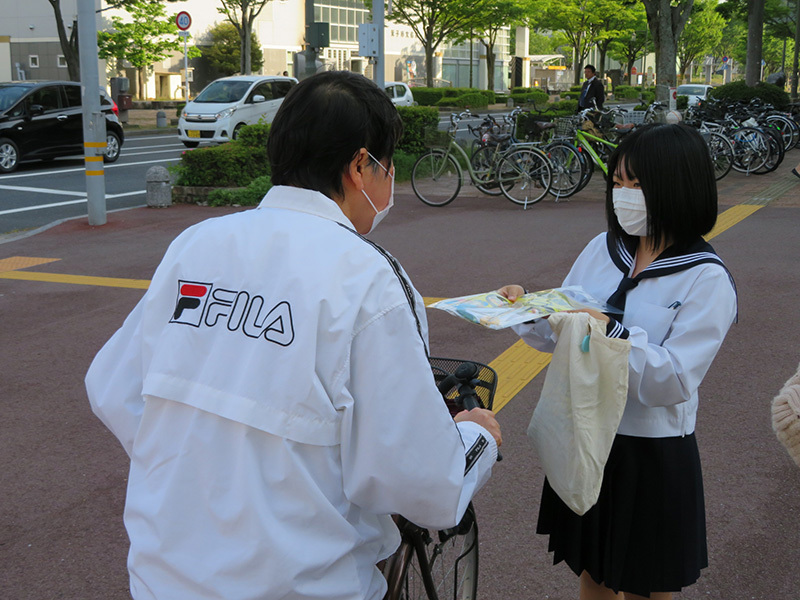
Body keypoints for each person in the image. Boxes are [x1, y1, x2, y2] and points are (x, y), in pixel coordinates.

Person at [86, 70, 501, 600]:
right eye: (387, 164)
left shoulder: (197, 245)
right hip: (304, 584)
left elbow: (112, 388)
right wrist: (476, 438)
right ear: (359, 165)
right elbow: (418, 479)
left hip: (162, 575)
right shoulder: (365, 275)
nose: (390, 179)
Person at [499, 123, 737, 600]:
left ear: (677, 186)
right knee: (595, 572)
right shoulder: (603, 249)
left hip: (650, 451)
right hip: (589, 433)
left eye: (638, 184)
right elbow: (560, 331)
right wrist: (529, 308)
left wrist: (610, 333)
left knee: (650, 585)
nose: (624, 195)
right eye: (618, 182)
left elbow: (672, 379)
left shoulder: (706, 280)